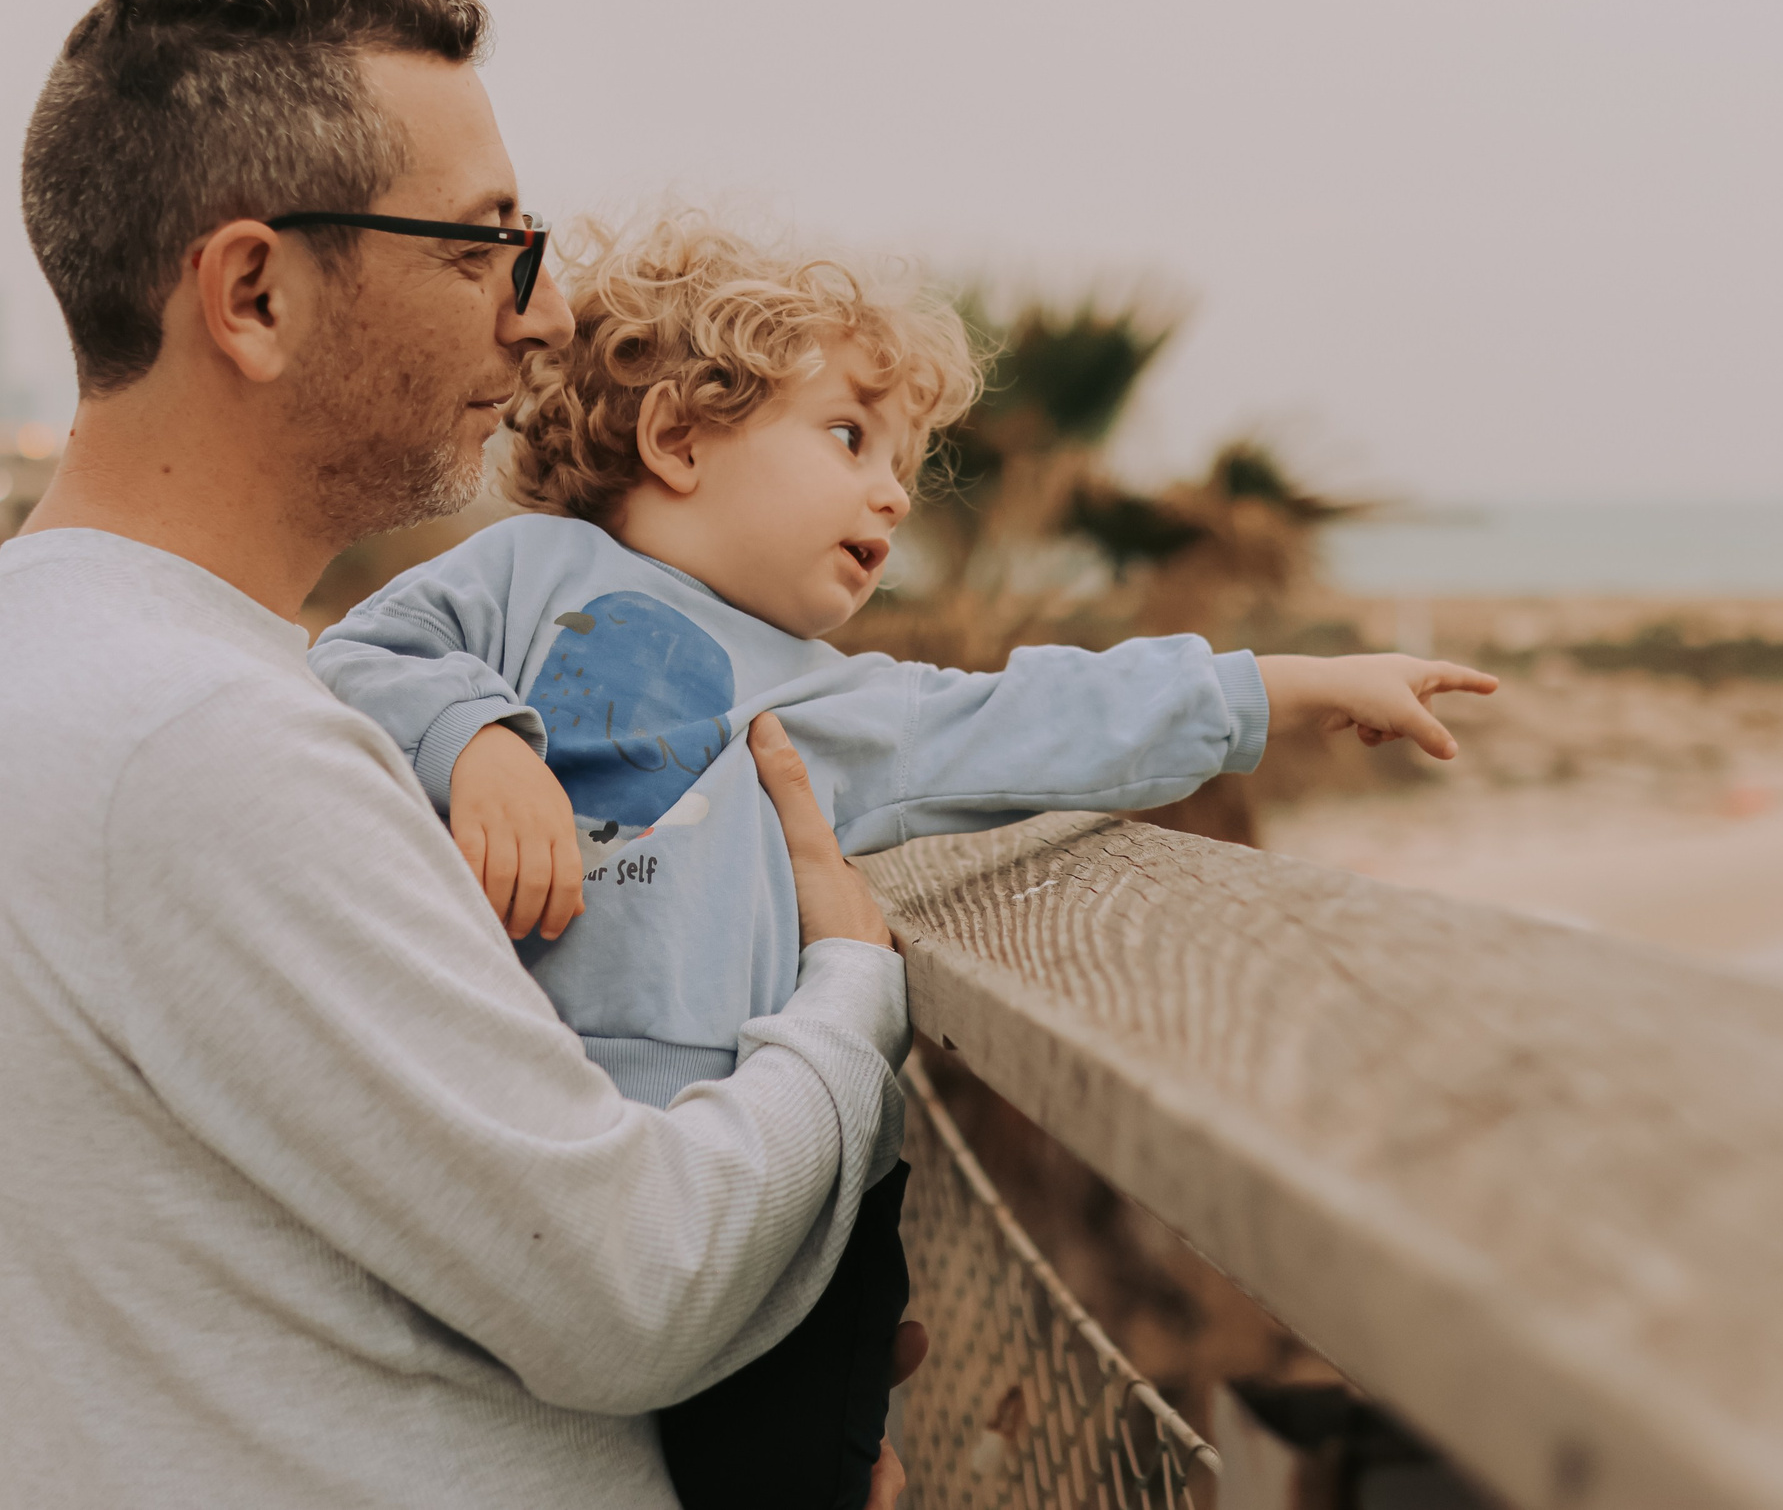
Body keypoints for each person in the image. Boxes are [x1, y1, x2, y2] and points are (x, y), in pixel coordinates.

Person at [305, 210, 1502, 1509]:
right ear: (679, 437)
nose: (892, 489)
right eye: (848, 437)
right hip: (528, 1158)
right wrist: (480, 744)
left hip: (774, 1223)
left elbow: (1044, 718)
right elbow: (360, 657)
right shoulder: (526, 574)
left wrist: (1281, 687)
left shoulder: (855, 705)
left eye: (907, 460)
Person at [1, 0, 917, 1509]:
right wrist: (846, 1000)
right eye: (484, 244)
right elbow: (635, 1282)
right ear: (256, 293)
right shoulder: (205, 744)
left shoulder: (73, 662)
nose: (545, 316)